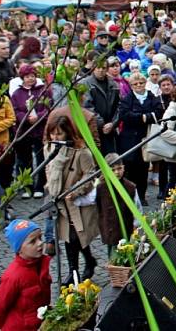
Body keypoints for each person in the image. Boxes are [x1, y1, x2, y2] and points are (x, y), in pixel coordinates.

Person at [45, 116, 99, 284]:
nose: (55, 138)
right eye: (52, 134)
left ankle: (77, 269)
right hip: (59, 201)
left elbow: (90, 174)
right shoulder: (49, 149)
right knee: (69, 238)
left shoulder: (81, 152)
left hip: (76, 203)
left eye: (59, 134)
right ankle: (76, 269)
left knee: (76, 237)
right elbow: (48, 170)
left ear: (67, 133)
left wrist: (76, 191)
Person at [0, 220, 51, 331]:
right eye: (32, 241)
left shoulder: (41, 264)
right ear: (19, 249)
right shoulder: (13, 276)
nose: (40, 243)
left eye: (40, 238)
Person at [117, 72, 163, 203]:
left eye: (141, 83)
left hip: (146, 138)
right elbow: (124, 115)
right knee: (130, 168)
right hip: (129, 139)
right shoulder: (127, 98)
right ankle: (129, 196)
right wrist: (143, 117)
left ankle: (142, 196)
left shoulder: (152, 96)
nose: (138, 86)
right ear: (131, 86)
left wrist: (144, 117)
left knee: (143, 168)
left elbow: (159, 112)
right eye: (135, 84)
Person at [11, 64, 51, 199]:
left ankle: (40, 185)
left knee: (41, 158)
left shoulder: (43, 90)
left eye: (32, 76)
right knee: (24, 160)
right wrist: (26, 119)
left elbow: (48, 107)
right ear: (22, 78)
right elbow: (15, 110)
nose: (30, 79)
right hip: (24, 131)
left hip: (39, 129)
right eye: (27, 77)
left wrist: (38, 117)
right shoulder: (17, 93)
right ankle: (26, 186)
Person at [96, 153, 141, 257]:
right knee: (111, 255)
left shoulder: (130, 187)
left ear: (123, 168)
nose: (117, 172)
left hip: (126, 228)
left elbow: (137, 208)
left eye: (119, 168)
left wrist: (136, 225)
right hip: (109, 228)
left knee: (125, 255)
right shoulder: (100, 187)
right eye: (113, 170)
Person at [81, 60, 121, 155]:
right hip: (94, 128)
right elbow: (87, 106)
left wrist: (113, 123)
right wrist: (101, 123)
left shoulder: (114, 85)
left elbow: (119, 106)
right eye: (98, 68)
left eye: (103, 68)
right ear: (93, 69)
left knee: (111, 158)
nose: (100, 70)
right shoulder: (85, 84)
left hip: (110, 128)